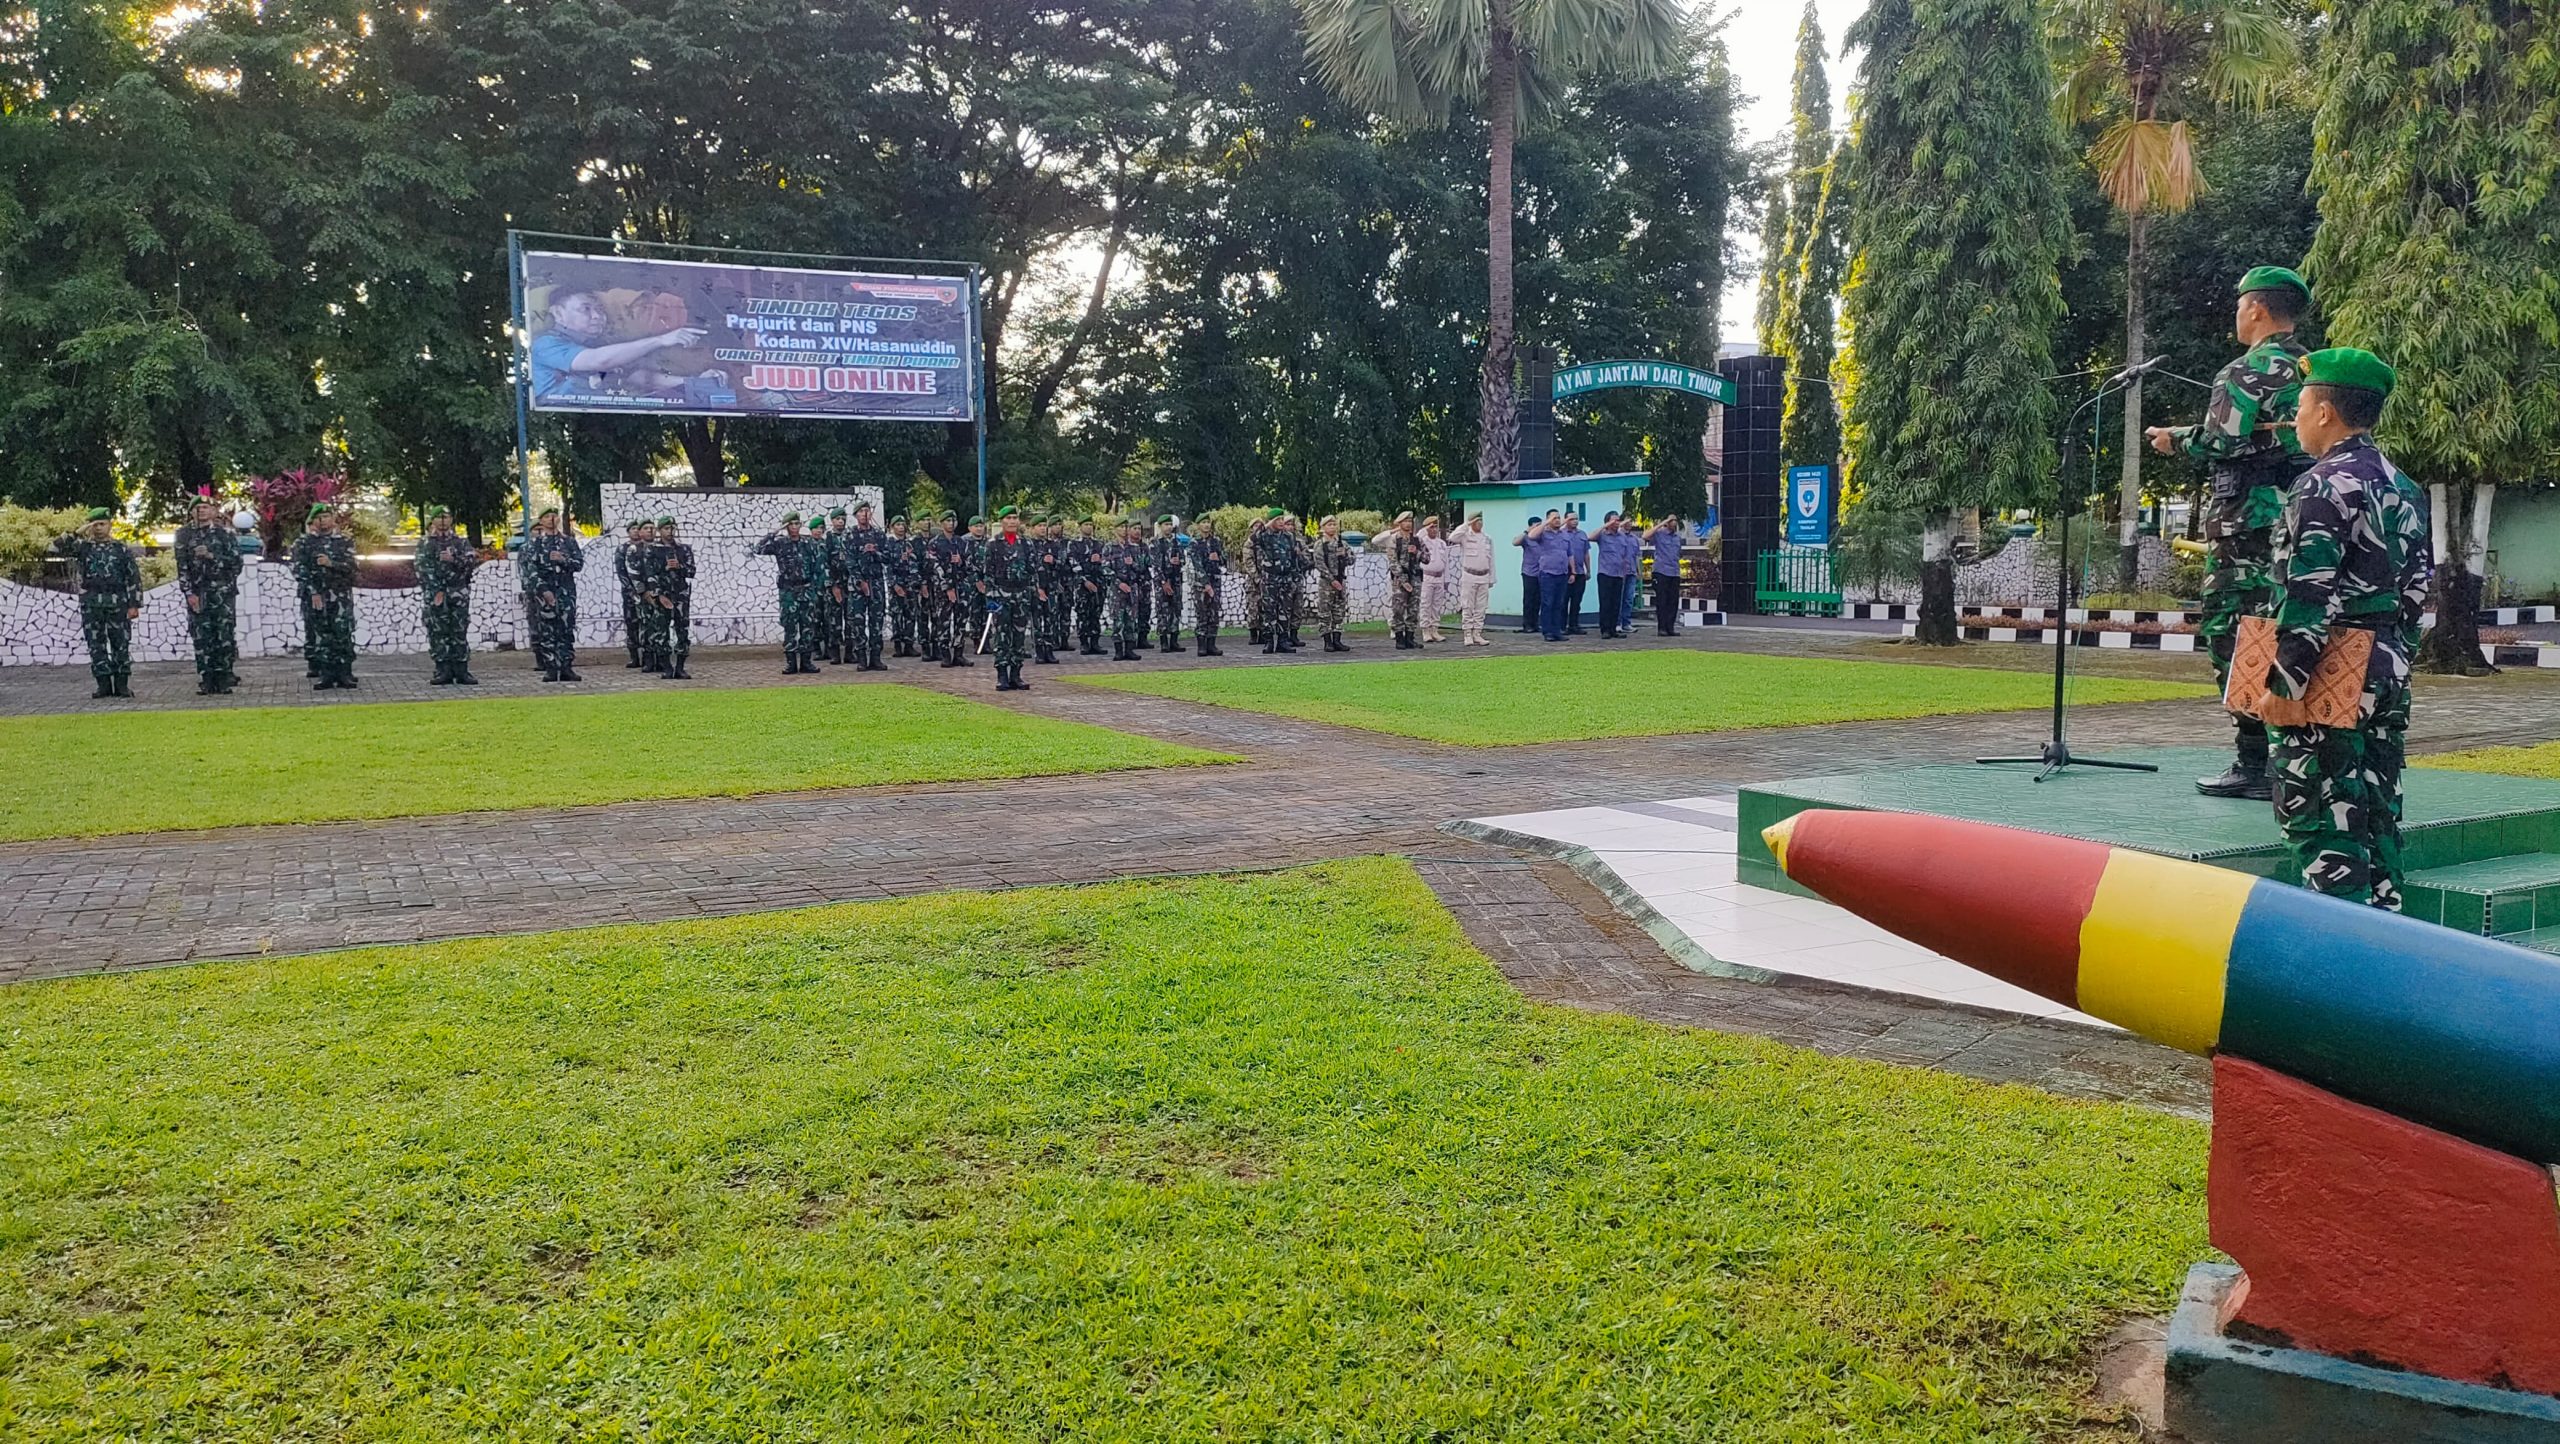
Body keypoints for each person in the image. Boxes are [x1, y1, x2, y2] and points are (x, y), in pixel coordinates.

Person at [2264, 347, 2430, 909]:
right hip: (2387, 666)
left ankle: (2339, 947)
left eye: (2300, 407)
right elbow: (2416, 592)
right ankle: (2387, 932)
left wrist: (2286, 685)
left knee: (2319, 818)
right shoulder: (2404, 486)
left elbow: (2308, 593)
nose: (2295, 420)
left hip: (2331, 668)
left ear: (2325, 412)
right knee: (2378, 816)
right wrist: (2392, 663)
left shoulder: (2321, 485)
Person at [2149, 266, 2315, 802]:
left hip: (2246, 525)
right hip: (2302, 521)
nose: (2238, 314)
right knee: (2288, 632)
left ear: (2258, 309)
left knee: (2235, 637)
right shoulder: (2314, 370)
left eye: (2241, 305)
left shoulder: (2246, 371)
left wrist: (2177, 438)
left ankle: (2254, 762)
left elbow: (2224, 442)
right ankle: (2296, 758)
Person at [529, 289, 720, 405]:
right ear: (558, 313)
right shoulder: (545, 344)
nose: (597, 316)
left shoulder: (603, 346)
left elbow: (639, 377)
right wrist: (661, 340)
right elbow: (599, 361)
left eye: (599, 309)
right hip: (561, 419)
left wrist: (696, 383)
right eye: (586, 309)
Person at [51, 507, 141, 699]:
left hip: (117, 602)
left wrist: (134, 604)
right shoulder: (84, 547)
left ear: (110, 525)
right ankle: (103, 685)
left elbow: (133, 577)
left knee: (120, 644)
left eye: (102, 524)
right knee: (96, 645)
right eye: (95, 525)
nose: (98, 528)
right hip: (92, 603)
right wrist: (77, 532)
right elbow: (54, 547)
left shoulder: (120, 549)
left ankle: (122, 685)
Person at [175, 494, 241, 693]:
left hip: (222, 592)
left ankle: (224, 677)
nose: (201, 511)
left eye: (205, 507)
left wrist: (212, 556)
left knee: (224, 635)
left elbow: (236, 564)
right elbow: (182, 567)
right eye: (198, 508)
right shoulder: (184, 535)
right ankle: (207, 679)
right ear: (191, 512)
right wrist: (189, 593)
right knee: (202, 637)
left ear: (214, 511)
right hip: (198, 593)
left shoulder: (225, 534)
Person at [291, 503, 359, 689]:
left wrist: (331, 564)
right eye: (319, 518)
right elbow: (299, 570)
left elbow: (352, 568)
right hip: (317, 595)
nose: (322, 521)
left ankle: (344, 673)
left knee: (342, 632)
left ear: (333, 519)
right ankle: (326, 673)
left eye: (326, 517)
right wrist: (313, 591)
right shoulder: (304, 543)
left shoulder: (344, 542)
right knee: (322, 634)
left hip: (340, 595)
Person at [416, 506, 481, 685]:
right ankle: (442, 669)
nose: (443, 521)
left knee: (459, 630)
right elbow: (422, 569)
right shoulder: (425, 543)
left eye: (446, 517)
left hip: (458, 593)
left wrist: (454, 560)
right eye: (439, 517)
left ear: (451, 520)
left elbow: (472, 562)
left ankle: (461, 670)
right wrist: (436, 590)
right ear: (433, 520)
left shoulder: (460, 542)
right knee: (438, 631)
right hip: (436, 594)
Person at [519, 506, 584, 683]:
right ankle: (551, 668)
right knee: (547, 631)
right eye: (547, 516)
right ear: (541, 521)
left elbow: (578, 564)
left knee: (566, 630)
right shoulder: (534, 545)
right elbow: (531, 571)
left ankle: (566, 667)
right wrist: (544, 591)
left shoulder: (569, 542)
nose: (551, 519)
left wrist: (563, 559)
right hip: (544, 593)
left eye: (554, 516)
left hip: (566, 592)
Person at [754, 511, 823, 674]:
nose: (794, 527)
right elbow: (758, 549)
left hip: (806, 589)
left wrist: (814, 589)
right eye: (790, 524)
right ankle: (791, 663)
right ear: (786, 527)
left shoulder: (808, 543)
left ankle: (806, 662)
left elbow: (817, 566)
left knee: (807, 627)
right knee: (790, 627)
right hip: (788, 592)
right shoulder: (780, 543)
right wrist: (775, 532)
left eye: (796, 524)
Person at [983, 507, 1036, 690]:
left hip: (1021, 594)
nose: (1012, 521)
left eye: (1015, 518)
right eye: (1008, 518)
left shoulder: (1026, 544)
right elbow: (988, 573)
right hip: (1001, 595)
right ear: (1002, 521)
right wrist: (991, 599)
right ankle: (1002, 675)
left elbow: (1032, 570)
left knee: (1019, 635)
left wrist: (1031, 593)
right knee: (1002, 635)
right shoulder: (993, 544)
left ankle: (1016, 674)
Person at [1368, 512, 1426, 649]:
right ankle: (1399, 638)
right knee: (1398, 610)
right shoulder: (1393, 540)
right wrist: (1404, 581)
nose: (1408, 524)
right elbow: (1393, 562)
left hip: (1415, 578)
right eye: (1405, 521)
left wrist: (1416, 552)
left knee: (1413, 610)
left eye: (1410, 521)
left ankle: (1410, 638)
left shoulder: (1417, 540)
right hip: (1399, 580)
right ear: (1399, 523)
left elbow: (1427, 558)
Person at [647, 514, 694, 679]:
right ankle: (666, 667)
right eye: (667, 528)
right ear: (660, 530)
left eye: (672, 528)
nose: (670, 531)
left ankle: (680, 667)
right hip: (663, 595)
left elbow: (691, 571)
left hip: (680, 595)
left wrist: (679, 566)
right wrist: (659, 594)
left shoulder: (683, 549)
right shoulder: (652, 550)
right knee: (661, 632)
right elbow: (650, 575)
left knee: (682, 630)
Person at [844, 502, 888, 671]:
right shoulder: (850, 535)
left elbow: (887, 558)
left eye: (867, 511)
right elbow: (849, 561)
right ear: (856, 515)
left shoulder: (878, 535)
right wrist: (860, 582)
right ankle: (861, 658)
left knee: (877, 621)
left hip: (876, 583)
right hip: (858, 585)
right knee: (858, 622)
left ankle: (876, 657)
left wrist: (874, 552)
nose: (864, 514)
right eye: (861, 511)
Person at [927, 513, 973, 668]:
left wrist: (960, 561)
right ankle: (945, 654)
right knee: (943, 621)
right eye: (948, 521)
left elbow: (969, 565)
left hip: (961, 587)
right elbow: (934, 566)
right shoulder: (935, 543)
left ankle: (959, 653)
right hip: (943, 589)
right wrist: (947, 587)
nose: (951, 523)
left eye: (953, 520)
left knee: (961, 621)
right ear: (941, 523)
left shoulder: (961, 542)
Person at [1517, 514, 1569, 642]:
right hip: (1547, 573)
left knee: (1559, 604)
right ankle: (1548, 632)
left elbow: (1568, 553)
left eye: (1558, 517)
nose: (1557, 520)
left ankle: (1557, 631)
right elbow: (1531, 536)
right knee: (1548, 603)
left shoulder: (1563, 534)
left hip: (1562, 573)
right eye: (1554, 518)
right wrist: (1546, 523)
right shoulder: (1543, 534)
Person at [1594, 512, 1642, 641]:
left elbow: (1625, 555)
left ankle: (1613, 629)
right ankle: (1605, 630)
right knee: (1606, 603)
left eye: (1618, 520)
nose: (1617, 523)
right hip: (1605, 573)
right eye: (1613, 521)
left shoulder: (1622, 537)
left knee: (1616, 603)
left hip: (1619, 574)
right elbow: (1590, 537)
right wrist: (1606, 526)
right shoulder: (1602, 535)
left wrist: (1626, 571)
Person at [1107, 518, 1149, 661]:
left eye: (1126, 527)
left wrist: (1133, 564)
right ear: (1115, 530)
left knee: (1131, 620)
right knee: (1118, 620)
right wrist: (1118, 583)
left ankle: (1130, 649)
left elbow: (1142, 568)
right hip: (1117, 590)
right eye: (1121, 527)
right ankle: (1118, 651)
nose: (1124, 530)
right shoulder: (1110, 547)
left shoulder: (1134, 548)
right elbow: (1105, 568)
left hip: (1132, 588)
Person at [1451, 512, 1496, 646]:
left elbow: (1491, 560)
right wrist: (1467, 525)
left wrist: (1492, 578)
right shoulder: (1465, 536)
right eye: (1477, 521)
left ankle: (1477, 633)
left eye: (1481, 521)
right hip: (1469, 575)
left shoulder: (1487, 538)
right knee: (1467, 606)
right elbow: (1452, 537)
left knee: (1481, 607)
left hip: (1484, 576)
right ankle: (1467, 633)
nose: (1480, 524)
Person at [1313, 515, 1356, 652]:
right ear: (1323, 527)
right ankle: (1327, 641)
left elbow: (1352, 560)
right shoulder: (1320, 544)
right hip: (1327, 583)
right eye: (1329, 525)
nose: (1332, 527)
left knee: (1339, 611)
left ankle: (1337, 640)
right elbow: (1319, 564)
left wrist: (1344, 555)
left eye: (1334, 524)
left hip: (1341, 580)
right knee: (1325, 612)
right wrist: (1332, 580)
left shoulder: (1342, 544)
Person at [613, 519, 652, 668]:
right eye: (633, 529)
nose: (636, 531)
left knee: (646, 624)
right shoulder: (623, 549)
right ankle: (634, 657)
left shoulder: (647, 548)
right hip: (630, 593)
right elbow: (621, 572)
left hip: (646, 592)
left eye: (637, 528)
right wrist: (631, 590)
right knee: (632, 623)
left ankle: (648, 656)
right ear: (628, 532)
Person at [1187, 515, 1227, 656]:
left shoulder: (1216, 541)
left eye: (1208, 522)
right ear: (1198, 525)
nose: (1206, 525)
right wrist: (1205, 584)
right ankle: (1202, 645)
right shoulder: (1194, 543)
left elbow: (1224, 559)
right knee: (1202, 614)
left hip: (1215, 581)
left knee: (1214, 614)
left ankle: (1211, 644)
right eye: (1203, 522)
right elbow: (1196, 565)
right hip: (1201, 584)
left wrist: (1218, 558)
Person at [1028, 515, 1065, 665]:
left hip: (1051, 587)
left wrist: (1054, 561)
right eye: (1039, 526)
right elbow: (1028, 568)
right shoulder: (1029, 545)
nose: (1043, 528)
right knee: (1037, 621)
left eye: (1044, 525)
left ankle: (1049, 650)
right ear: (1033, 528)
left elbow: (1063, 563)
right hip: (1036, 588)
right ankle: (1038, 651)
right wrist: (1037, 587)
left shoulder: (1053, 545)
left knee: (1051, 619)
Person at [1069, 518, 1108, 655]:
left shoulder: (1099, 544)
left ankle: (1095, 642)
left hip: (1098, 583)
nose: (1089, 527)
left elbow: (1107, 562)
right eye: (1086, 524)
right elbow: (1074, 564)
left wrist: (1101, 560)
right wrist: (1085, 581)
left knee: (1096, 613)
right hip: (1083, 585)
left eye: (1091, 524)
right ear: (1080, 526)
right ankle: (1084, 642)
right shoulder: (1074, 544)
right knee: (1083, 613)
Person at [886, 514, 923, 658]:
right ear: (892, 527)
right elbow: (888, 566)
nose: (901, 527)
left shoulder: (910, 543)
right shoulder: (889, 543)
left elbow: (916, 563)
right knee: (897, 615)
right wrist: (894, 584)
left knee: (910, 615)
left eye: (902, 524)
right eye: (898, 525)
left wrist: (917, 582)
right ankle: (897, 645)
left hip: (910, 584)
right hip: (897, 584)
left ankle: (909, 644)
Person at [1647, 515, 1687, 636]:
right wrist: (1661, 523)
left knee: (1673, 601)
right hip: (1661, 571)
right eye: (1671, 520)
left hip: (1674, 572)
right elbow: (1645, 536)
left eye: (1675, 520)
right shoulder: (1659, 534)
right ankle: (1662, 628)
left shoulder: (1677, 537)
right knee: (1662, 600)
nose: (1674, 523)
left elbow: (1678, 553)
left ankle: (1670, 627)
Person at [1418, 516, 1449, 644]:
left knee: (1436, 605)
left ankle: (1434, 629)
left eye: (1436, 527)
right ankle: (1425, 630)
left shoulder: (1441, 543)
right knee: (1426, 604)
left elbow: (1446, 563)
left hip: (1439, 577)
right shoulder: (1422, 541)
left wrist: (1446, 580)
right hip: (1427, 577)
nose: (1434, 529)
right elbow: (1417, 537)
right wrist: (1425, 529)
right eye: (1431, 527)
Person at [1561, 512, 1593, 634]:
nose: (1575, 521)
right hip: (1565, 572)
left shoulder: (1582, 534)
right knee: (1563, 600)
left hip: (1580, 572)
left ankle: (1573, 625)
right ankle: (1562, 626)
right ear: (1566, 520)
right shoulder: (1561, 533)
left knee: (1577, 601)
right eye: (1572, 519)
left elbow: (1586, 553)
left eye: (1576, 519)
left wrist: (1588, 570)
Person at [1242, 515, 1268, 647]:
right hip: (1253, 582)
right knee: (1253, 608)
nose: (1258, 528)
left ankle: (1263, 633)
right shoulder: (1249, 543)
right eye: (1255, 526)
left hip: (1266, 579)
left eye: (1260, 525)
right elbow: (1248, 562)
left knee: (1264, 607)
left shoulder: (1265, 542)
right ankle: (1253, 634)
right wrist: (1257, 578)